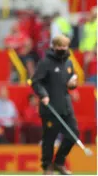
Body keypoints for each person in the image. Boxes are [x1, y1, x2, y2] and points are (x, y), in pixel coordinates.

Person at [31, 35, 79, 175]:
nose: (63, 49)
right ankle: (47, 167)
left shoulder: (69, 63)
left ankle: (59, 162)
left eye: (65, 46)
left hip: (65, 107)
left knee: (73, 134)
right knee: (49, 138)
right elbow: (36, 82)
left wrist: (73, 84)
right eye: (60, 46)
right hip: (50, 108)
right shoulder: (45, 63)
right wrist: (43, 95)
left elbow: (71, 83)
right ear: (54, 46)